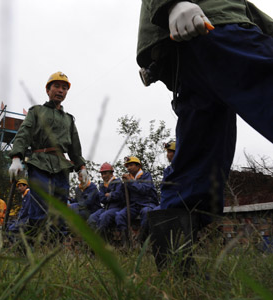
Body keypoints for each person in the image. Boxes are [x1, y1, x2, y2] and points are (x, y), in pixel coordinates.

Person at [137, 0, 273, 271]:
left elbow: (245, 7)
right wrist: (171, 3)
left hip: (184, 52)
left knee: (199, 162)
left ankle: (179, 275)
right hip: (213, 26)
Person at [8, 72, 87, 230]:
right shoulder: (36, 111)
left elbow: (75, 147)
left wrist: (82, 167)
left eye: (64, 88)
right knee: (39, 205)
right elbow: (24, 133)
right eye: (56, 86)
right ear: (47, 90)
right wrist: (16, 158)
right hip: (39, 163)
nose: (60, 91)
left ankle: (56, 244)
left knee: (60, 207)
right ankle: (38, 244)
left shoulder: (69, 119)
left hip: (61, 166)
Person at [115, 157, 158, 242]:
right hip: (134, 206)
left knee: (146, 213)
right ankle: (126, 244)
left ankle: (141, 242)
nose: (129, 168)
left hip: (147, 203)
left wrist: (130, 182)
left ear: (138, 166)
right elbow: (122, 195)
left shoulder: (146, 176)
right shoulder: (128, 178)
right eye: (127, 166)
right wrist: (123, 185)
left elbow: (143, 189)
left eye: (131, 165)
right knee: (120, 215)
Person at [87, 163, 124, 239]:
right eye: (102, 174)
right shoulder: (102, 185)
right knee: (92, 218)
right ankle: (93, 238)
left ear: (111, 173)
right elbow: (102, 199)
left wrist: (109, 195)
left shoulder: (118, 182)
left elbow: (117, 195)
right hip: (106, 208)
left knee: (104, 217)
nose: (103, 176)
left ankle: (101, 240)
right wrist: (110, 195)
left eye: (105, 173)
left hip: (117, 208)